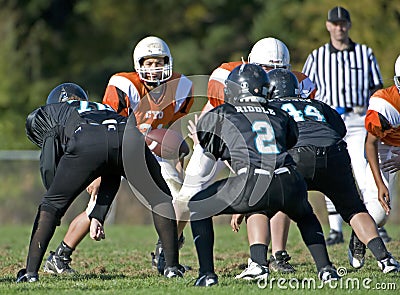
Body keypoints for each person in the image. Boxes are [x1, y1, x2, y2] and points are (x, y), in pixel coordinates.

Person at [43, 36, 194, 275]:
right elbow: (103, 127)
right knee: (97, 207)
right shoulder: (124, 85)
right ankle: (60, 256)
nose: (154, 68)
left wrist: (177, 159)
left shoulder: (181, 87)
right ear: (138, 64)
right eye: (149, 63)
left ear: (169, 62)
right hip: (119, 147)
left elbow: (172, 130)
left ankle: (165, 253)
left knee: (186, 198)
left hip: (152, 149)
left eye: (159, 62)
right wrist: (97, 175)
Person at [232, 69, 399, 280]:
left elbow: (262, 148)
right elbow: (339, 130)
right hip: (334, 153)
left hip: (297, 156)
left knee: (261, 205)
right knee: (354, 209)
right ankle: (385, 260)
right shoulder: (317, 105)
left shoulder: (269, 108)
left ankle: (258, 264)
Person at [188, 63, 340, 287]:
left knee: (199, 205)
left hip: (251, 181)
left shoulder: (223, 113)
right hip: (289, 179)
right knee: (305, 215)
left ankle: (207, 274)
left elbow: (213, 150)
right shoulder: (279, 113)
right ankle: (326, 269)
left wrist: (199, 139)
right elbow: (289, 141)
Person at [16, 83, 184, 283]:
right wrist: (98, 214)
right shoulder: (102, 108)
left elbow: (49, 154)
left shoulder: (51, 112)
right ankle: (172, 268)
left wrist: (54, 201)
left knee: (49, 206)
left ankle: (30, 273)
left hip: (87, 138)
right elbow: (112, 166)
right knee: (159, 199)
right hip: (129, 135)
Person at [177, 37, 315, 274]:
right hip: (218, 137)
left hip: (260, 148)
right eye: (264, 68)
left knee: (277, 186)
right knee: (189, 193)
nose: (269, 75)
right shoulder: (226, 77)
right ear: (249, 63)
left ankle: (275, 256)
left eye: (278, 70)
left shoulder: (296, 84)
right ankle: (169, 245)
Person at [302, 6, 387, 245]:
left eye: (343, 23)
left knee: (362, 171)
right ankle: (335, 229)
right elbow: (306, 91)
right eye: (335, 23)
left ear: (348, 25)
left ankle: (374, 221)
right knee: (331, 168)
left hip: (357, 119)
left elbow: (376, 89)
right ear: (328, 25)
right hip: (328, 121)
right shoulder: (317, 56)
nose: (339, 27)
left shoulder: (364, 53)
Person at [364, 54, 400, 236]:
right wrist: (380, 184)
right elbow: (371, 143)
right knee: (380, 214)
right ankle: (359, 235)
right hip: (386, 145)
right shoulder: (386, 104)